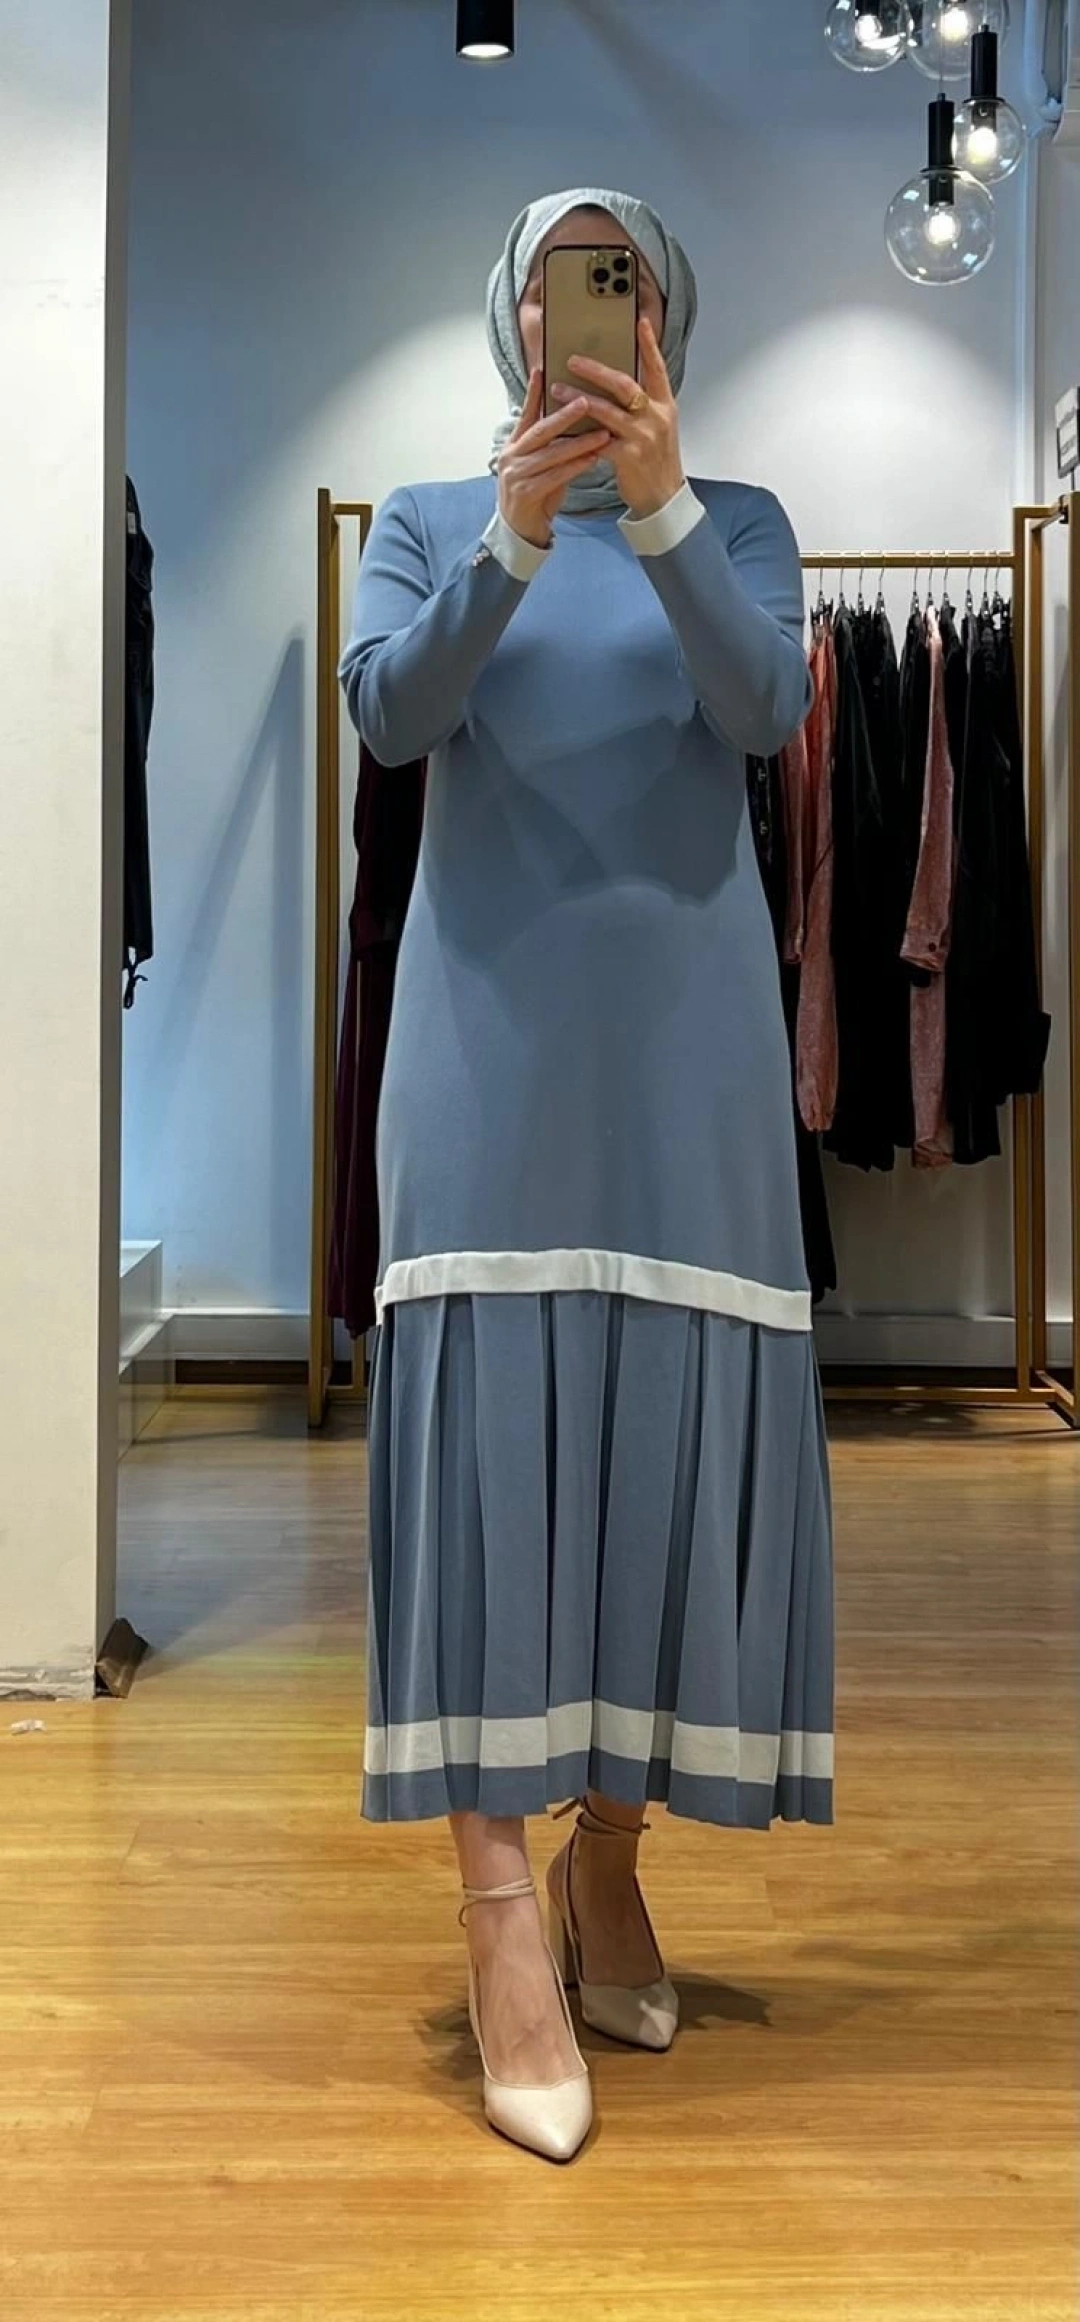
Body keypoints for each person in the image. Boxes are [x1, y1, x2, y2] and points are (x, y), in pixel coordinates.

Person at [339, 186, 835, 2165]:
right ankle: (496, 1923)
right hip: (486, 1081)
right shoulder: (429, 520)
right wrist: (518, 534)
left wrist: (659, 507)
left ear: (663, 321)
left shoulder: (741, 524)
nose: (593, 319)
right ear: (519, 323)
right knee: (488, 1485)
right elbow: (395, 718)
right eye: (567, 287)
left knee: (661, 1473)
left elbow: (768, 708)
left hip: (690, 1092)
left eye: (622, 284)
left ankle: (607, 1865)